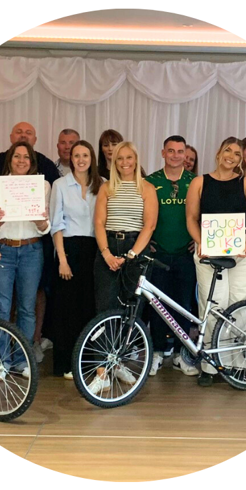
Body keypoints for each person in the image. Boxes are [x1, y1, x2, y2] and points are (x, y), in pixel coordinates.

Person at [186, 137, 246, 387]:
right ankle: (210, 364)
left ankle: (239, 362)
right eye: (228, 151)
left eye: (237, 154)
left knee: (242, 301)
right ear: (219, 153)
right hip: (209, 248)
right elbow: (191, 218)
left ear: (240, 160)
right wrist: (200, 242)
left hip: (244, 248)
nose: (231, 156)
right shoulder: (199, 182)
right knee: (213, 303)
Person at [90, 140, 158, 393]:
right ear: (114, 162)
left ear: (136, 160)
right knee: (104, 310)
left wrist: (131, 255)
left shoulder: (147, 188)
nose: (125, 162)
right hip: (108, 247)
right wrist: (107, 254)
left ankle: (118, 362)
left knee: (131, 311)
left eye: (129, 157)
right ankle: (102, 371)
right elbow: (99, 223)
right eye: (120, 158)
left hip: (135, 249)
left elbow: (149, 226)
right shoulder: (106, 188)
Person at [0, 141, 51, 377]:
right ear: (9, 160)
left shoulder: (42, 186)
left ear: (32, 162)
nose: (21, 161)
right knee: (1, 307)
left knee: (27, 308)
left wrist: (41, 221)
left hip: (31, 250)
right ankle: (1, 361)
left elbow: (46, 227)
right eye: (17, 156)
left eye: (26, 157)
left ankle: (22, 360)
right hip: (2, 249)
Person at [49, 140, 103, 379]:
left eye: (85, 155)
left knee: (90, 307)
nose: (81, 160)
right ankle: (68, 364)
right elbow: (56, 224)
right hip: (68, 250)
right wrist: (62, 259)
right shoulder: (60, 185)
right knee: (67, 309)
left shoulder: (103, 184)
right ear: (70, 159)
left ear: (92, 158)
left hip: (95, 249)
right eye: (76, 156)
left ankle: (90, 363)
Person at [146, 136, 198, 377]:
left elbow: (204, 213)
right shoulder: (150, 182)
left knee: (183, 306)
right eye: (171, 151)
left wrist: (198, 238)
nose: (176, 155)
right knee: (157, 305)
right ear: (163, 153)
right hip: (158, 254)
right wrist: (146, 239)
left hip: (185, 255)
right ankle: (157, 351)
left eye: (180, 151)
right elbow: (142, 214)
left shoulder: (195, 182)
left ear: (185, 154)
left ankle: (180, 354)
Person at [0, 121, 59, 196]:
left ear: (35, 140)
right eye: (19, 132)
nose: (23, 135)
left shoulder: (47, 165)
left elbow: (55, 197)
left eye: (28, 133)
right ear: (11, 137)